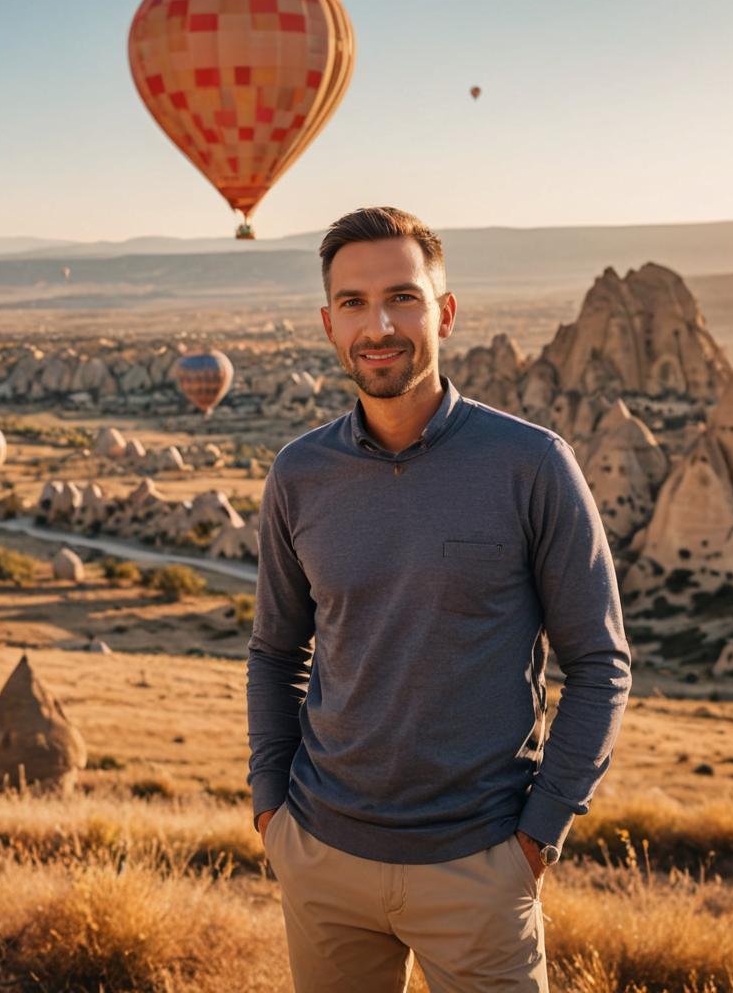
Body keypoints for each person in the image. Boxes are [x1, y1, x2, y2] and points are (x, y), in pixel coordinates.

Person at [246, 206, 632, 992]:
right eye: (352, 303)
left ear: (445, 312)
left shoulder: (530, 465)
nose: (377, 325)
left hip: (479, 867)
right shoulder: (299, 473)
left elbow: (599, 665)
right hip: (321, 857)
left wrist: (537, 836)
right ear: (328, 324)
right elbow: (276, 650)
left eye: (403, 297)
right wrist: (270, 809)